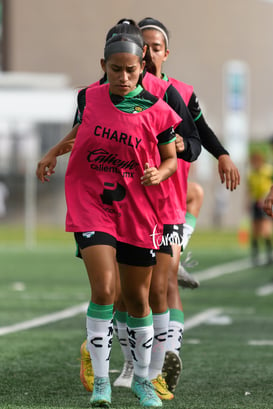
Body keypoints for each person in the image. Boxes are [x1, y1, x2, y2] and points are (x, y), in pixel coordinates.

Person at [37, 19, 202, 403]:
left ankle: (144, 378)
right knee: (105, 289)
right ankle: (101, 383)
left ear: (142, 66)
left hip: (139, 209)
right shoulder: (88, 98)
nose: (124, 77)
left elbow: (173, 159)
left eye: (131, 70)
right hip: (92, 203)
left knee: (140, 298)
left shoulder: (159, 109)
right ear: (103, 66)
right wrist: (50, 154)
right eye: (116, 70)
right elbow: (81, 131)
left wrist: (157, 172)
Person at [247, 150, 273, 265]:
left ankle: (269, 255)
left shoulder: (268, 171)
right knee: (255, 230)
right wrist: (248, 202)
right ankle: (255, 256)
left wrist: (266, 198)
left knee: (265, 229)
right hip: (256, 203)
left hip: (266, 202)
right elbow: (249, 189)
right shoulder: (251, 174)